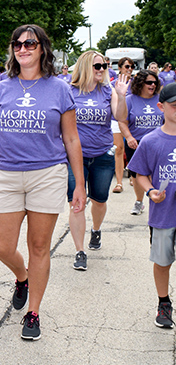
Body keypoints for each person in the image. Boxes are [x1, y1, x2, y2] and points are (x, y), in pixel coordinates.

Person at [0, 24, 85, 341]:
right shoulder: (2, 88)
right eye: (17, 44)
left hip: (48, 174)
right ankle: (22, 276)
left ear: (42, 48)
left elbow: (71, 139)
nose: (23, 48)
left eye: (30, 43)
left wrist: (80, 185)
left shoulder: (60, 88)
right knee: (1, 246)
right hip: (7, 174)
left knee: (39, 246)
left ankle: (33, 313)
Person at [67, 51, 128, 271]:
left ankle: (96, 229)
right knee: (77, 204)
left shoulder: (107, 90)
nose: (102, 69)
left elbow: (120, 116)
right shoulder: (70, 90)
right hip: (76, 157)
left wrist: (121, 96)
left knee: (100, 200)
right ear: (84, 67)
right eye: (97, 66)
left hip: (102, 154)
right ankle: (79, 251)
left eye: (104, 65)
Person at [127, 82, 176, 328]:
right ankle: (163, 302)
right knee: (163, 260)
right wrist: (150, 191)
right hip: (164, 214)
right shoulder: (151, 140)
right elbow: (141, 174)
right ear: (161, 107)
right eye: (175, 106)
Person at [119, 69, 164, 215]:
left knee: (158, 174)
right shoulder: (130, 100)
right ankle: (139, 201)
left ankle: (158, 199)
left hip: (158, 143)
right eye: (149, 82)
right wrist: (129, 137)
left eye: (154, 82)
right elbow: (122, 122)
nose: (152, 85)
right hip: (136, 143)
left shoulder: (160, 99)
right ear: (140, 83)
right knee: (137, 175)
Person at [111, 57, 136, 194]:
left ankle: (133, 176)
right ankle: (119, 182)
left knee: (132, 149)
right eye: (127, 66)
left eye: (131, 66)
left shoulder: (136, 84)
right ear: (119, 68)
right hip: (117, 120)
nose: (129, 69)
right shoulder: (113, 84)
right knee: (119, 149)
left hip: (131, 121)